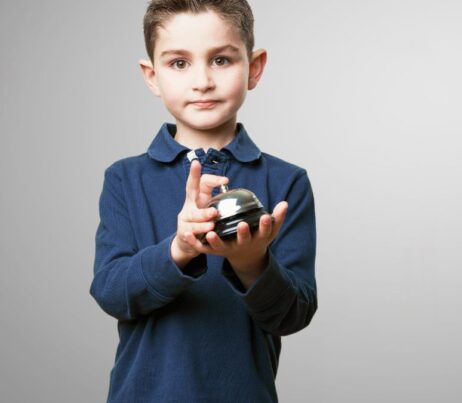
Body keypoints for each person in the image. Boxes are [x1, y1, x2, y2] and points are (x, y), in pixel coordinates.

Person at [90, 1, 317, 401]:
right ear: (152, 75)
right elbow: (111, 292)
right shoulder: (124, 179)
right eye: (179, 63)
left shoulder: (287, 182)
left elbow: (294, 314)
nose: (202, 81)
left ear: (255, 67)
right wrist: (177, 250)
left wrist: (252, 264)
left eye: (221, 60)